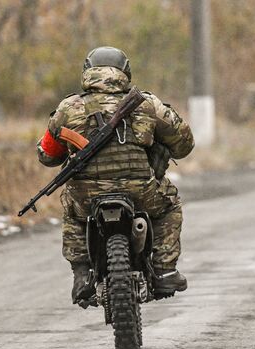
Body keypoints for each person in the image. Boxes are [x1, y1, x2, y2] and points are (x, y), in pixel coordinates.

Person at [37, 46, 194, 305]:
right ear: (126, 72)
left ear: (87, 72)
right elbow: (184, 144)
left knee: (72, 212)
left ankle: (81, 274)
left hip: (87, 195)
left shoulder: (68, 107)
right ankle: (165, 269)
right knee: (170, 204)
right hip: (141, 191)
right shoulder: (147, 104)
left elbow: (48, 156)